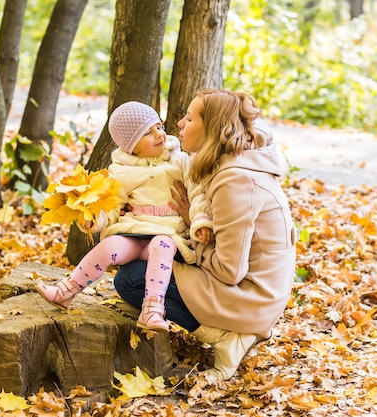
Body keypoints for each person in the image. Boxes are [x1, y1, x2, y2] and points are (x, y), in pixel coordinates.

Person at [113, 89, 297, 380]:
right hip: (257, 287)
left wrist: (191, 228)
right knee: (150, 266)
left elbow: (229, 270)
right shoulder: (232, 160)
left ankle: (227, 337)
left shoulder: (235, 180)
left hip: (251, 296)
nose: (179, 124)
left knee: (132, 279)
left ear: (212, 127)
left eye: (188, 118)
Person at [36, 101, 213, 331]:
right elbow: (111, 207)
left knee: (162, 244)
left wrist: (200, 221)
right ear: (132, 147)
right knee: (109, 246)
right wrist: (93, 220)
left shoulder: (179, 161)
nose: (159, 134)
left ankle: (152, 310)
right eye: (148, 133)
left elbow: (197, 193)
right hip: (133, 234)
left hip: (166, 234)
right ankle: (66, 291)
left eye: (158, 127)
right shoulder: (120, 170)